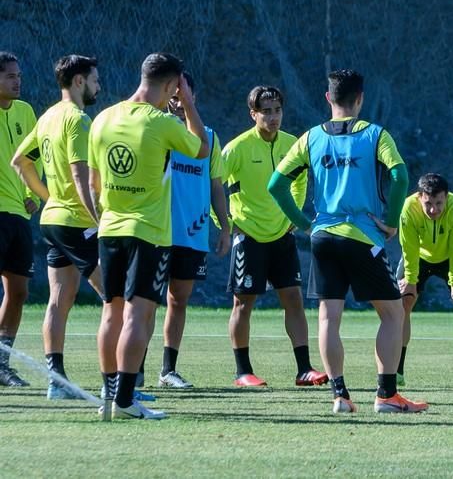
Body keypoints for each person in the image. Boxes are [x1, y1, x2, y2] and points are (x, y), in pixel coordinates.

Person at [269, 69, 427, 414]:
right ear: (360, 99)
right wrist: (390, 220)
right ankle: (386, 394)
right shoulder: (375, 134)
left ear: (329, 98)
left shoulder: (310, 137)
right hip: (361, 236)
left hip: (323, 237)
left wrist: (305, 225)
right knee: (393, 313)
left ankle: (339, 395)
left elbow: (276, 184)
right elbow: (399, 174)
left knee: (329, 317)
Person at [88, 52, 208, 419]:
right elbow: (201, 148)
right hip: (149, 233)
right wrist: (187, 106)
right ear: (173, 85)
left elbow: (94, 185)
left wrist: (107, 216)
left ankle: (109, 398)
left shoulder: (104, 119)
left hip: (110, 230)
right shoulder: (162, 123)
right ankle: (126, 399)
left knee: (111, 314)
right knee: (138, 317)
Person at [221, 85, 325, 388]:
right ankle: (243, 372)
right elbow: (214, 185)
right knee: (244, 303)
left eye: (277, 110)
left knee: (293, 298)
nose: (273, 116)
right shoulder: (237, 148)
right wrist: (227, 223)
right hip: (248, 235)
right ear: (253, 114)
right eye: (266, 111)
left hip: (282, 235)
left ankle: (304, 369)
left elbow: (301, 178)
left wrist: (294, 217)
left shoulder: (293, 144)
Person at [11, 55, 103, 399]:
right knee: (117, 300)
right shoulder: (78, 120)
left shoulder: (48, 116)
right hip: (77, 223)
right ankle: (122, 383)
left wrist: (49, 197)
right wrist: (99, 219)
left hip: (52, 221)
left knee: (58, 300)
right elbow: (81, 176)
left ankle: (57, 381)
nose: (98, 86)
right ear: (78, 81)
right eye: (94, 79)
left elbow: (20, 162)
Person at [158, 72, 230, 388]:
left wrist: (225, 227)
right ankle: (133, 370)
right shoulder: (156, 131)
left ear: (193, 97)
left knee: (179, 300)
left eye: (183, 94)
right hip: (157, 231)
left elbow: (216, 186)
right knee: (144, 301)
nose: (177, 101)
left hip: (193, 233)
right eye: (172, 95)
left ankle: (167, 370)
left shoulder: (210, 138)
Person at [395, 173, 453, 388]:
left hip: (451, 257)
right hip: (418, 257)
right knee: (402, 304)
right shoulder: (407, 209)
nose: (434, 210)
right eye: (428, 204)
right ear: (419, 197)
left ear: (447, 197)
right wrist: (411, 281)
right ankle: (397, 371)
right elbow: (409, 248)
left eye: (439, 203)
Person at [0, 52, 40, 387]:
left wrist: (35, 192)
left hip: (18, 213)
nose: (17, 81)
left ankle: (1, 363)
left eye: (19, 75)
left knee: (19, 291)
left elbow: (33, 155)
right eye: (10, 76)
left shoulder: (26, 112)